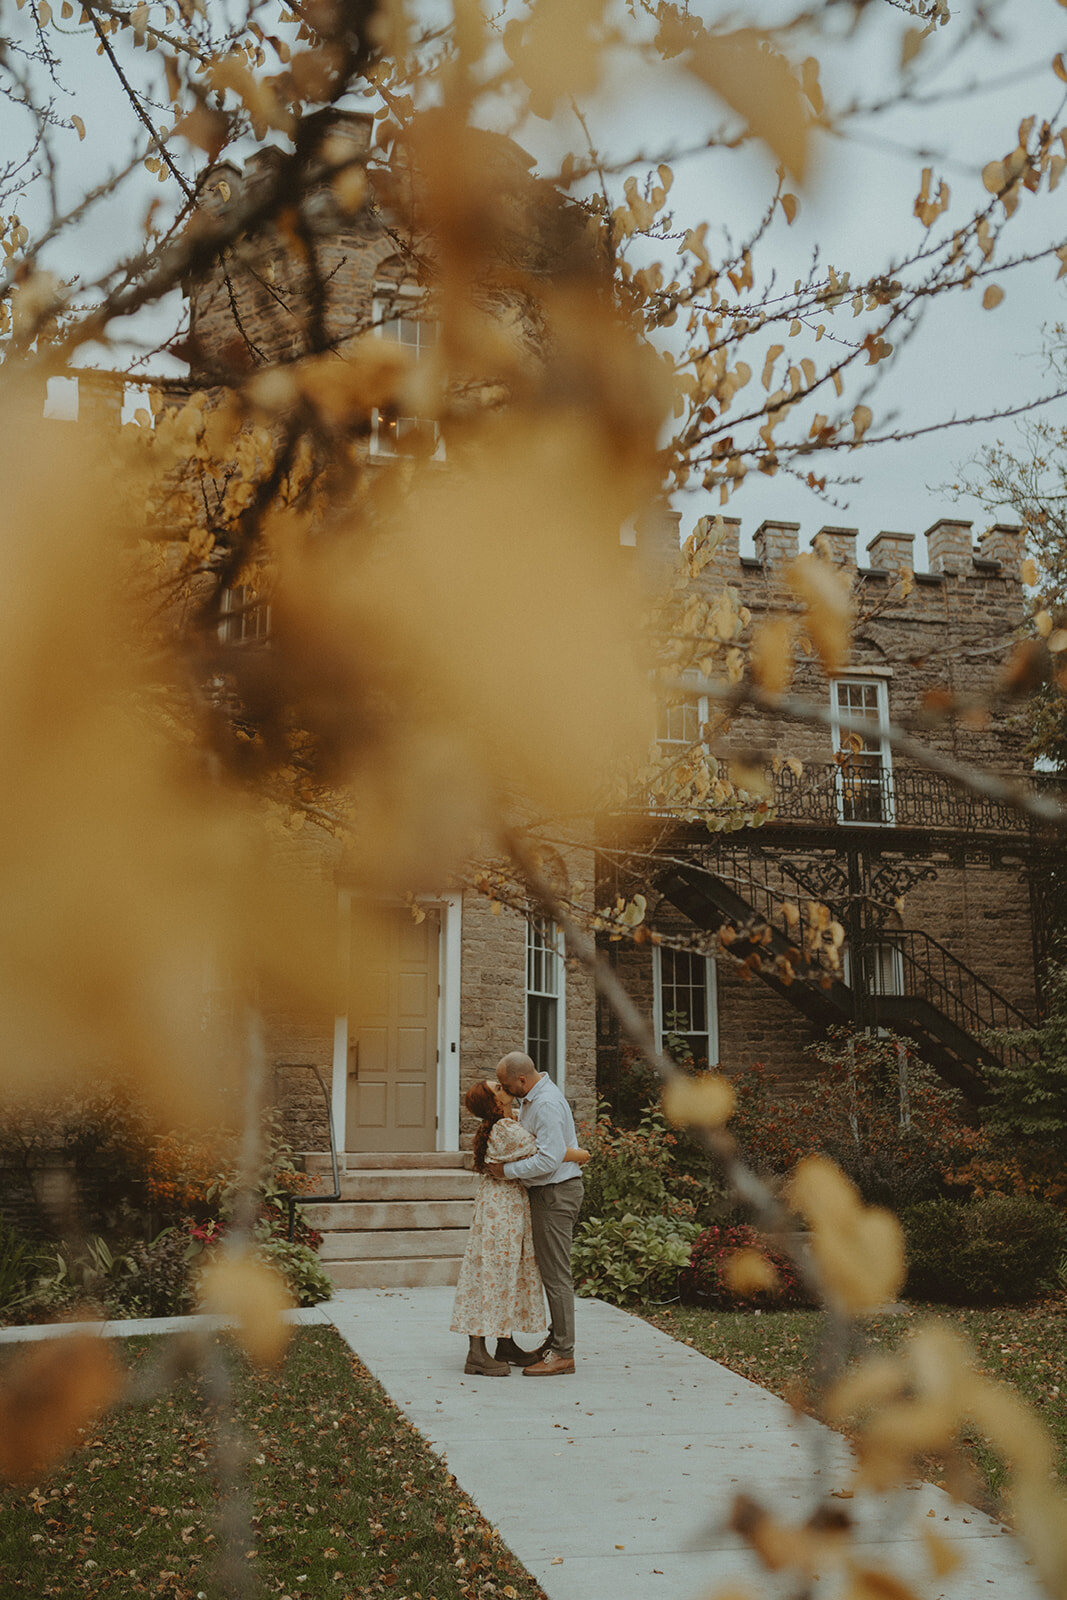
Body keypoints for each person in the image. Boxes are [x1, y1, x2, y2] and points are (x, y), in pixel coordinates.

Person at [450, 1078, 589, 1377]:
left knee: (506, 1273)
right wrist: (582, 1154)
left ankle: (505, 1343)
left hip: (505, 1205)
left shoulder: (505, 1124)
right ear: (494, 1102)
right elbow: (549, 1151)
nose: (504, 1088)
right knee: (493, 1274)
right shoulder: (505, 1129)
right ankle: (476, 1353)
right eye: (497, 1088)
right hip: (502, 1210)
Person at [486, 1050, 584, 1377]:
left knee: (556, 1275)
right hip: (546, 1193)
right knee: (551, 1273)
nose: (503, 1089)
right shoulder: (532, 1099)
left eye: (505, 1084)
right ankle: (557, 1341)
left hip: (556, 1194)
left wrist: (506, 1171)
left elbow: (549, 1160)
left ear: (522, 1080)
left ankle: (563, 1354)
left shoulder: (545, 1105)